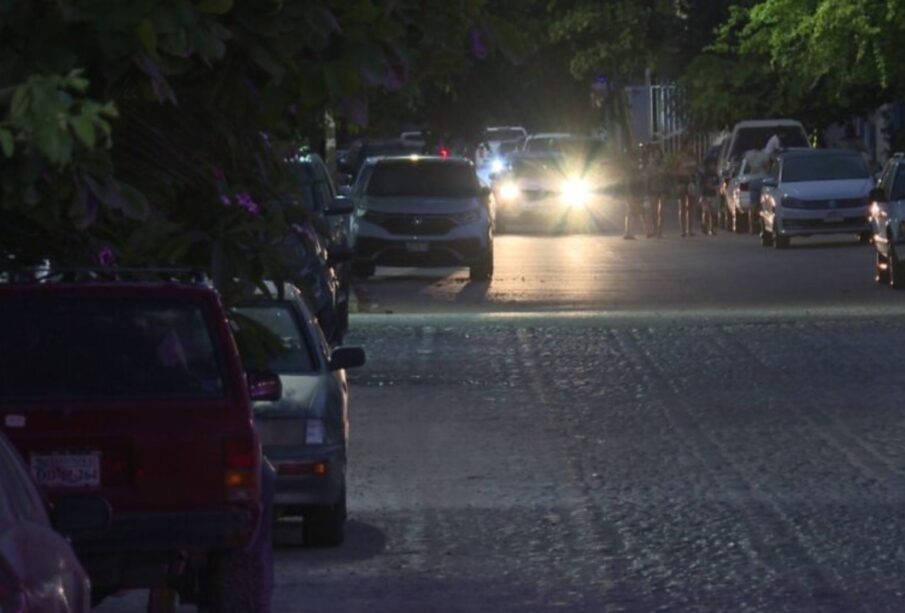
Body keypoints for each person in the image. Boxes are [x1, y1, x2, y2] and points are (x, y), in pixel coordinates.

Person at [643, 144, 667, 238]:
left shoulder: (664, 165)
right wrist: (646, 189)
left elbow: (668, 176)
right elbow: (647, 178)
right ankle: (654, 229)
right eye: (656, 154)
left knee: (661, 211)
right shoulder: (650, 166)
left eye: (659, 154)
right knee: (653, 210)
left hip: (663, 188)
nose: (658, 156)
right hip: (653, 188)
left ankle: (660, 230)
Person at [698, 158, 720, 236]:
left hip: (713, 195)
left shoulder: (716, 175)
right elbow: (702, 185)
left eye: (714, 165)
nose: (713, 167)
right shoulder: (704, 175)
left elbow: (718, 185)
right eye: (711, 165)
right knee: (706, 212)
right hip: (705, 195)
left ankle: (712, 228)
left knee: (713, 213)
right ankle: (705, 226)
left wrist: (716, 188)